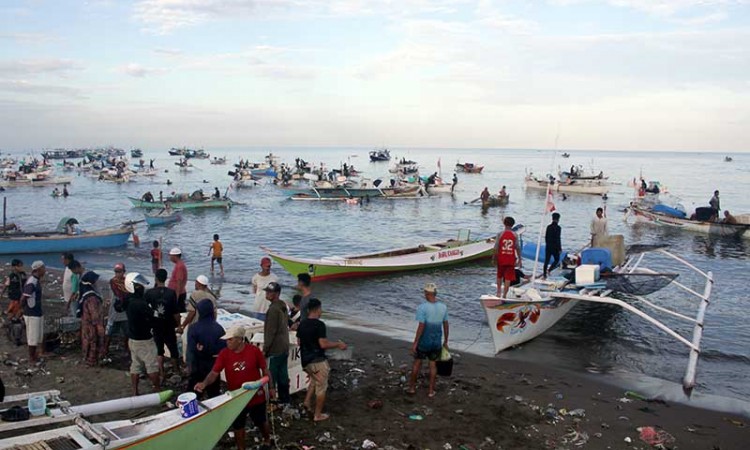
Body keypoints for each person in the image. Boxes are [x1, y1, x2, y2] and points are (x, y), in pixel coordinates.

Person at [195, 326, 273, 450]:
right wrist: (204, 384)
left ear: (239, 339)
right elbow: (214, 373)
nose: (227, 342)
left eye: (230, 340)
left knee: (261, 421)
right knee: (238, 425)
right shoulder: (224, 354)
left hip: (255, 395)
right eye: (227, 340)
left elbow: (265, 370)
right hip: (236, 396)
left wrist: (271, 388)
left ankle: (267, 439)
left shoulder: (254, 351)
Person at [297, 298, 346, 422]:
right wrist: (338, 345)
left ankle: (307, 402)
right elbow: (323, 344)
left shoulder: (302, 323)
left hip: (305, 360)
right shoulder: (319, 325)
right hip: (317, 360)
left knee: (314, 380)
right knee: (321, 387)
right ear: (318, 309)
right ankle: (317, 415)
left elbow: (298, 341)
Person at [121, 272, 161, 396]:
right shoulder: (139, 303)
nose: (142, 288)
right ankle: (157, 389)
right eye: (139, 286)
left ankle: (135, 391)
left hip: (132, 338)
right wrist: (158, 313)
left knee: (136, 365)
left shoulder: (128, 300)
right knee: (152, 366)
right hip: (144, 339)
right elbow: (154, 316)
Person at [407, 283, 448, 398]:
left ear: (428, 293)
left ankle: (412, 388)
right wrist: (446, 340)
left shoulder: (422, 307)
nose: (424, 294)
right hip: (436, 341)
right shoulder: (443, 307)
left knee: (417, 363)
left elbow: (421, 326)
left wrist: (415, 342)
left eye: (425, 292)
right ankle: (430, 391)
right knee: (433, 365)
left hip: (424, 341)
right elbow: (446, 324)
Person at [145, 269, 180, 378]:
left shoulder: (150, 293)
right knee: (173, 349)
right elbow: (175, 312)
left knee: (159, 350)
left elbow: (146, 309)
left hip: (156, 324)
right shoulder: (171, 293)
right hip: (169, 324)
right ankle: (176, 370)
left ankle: (161, 372)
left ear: (156, 278)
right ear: (166, 278)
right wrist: (179, 325)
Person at [188, 299, 226, 399]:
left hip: (198, 365)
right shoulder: (219, 328)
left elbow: (191, 350)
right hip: (213, 365)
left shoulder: (193, 328)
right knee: (214, 393)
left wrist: (200, 350)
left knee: (194, 394)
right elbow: (223, 348)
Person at [263, 282, 290, 406]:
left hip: (275, 348)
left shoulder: (273, 309)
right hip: (284, 346)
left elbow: (270, 332)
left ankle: (272, 402)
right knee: (283, 374)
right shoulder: (282, 305)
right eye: (267, 291)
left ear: (277, 294)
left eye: (270, 292)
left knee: (271, 376)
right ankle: (285, 400)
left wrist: (265, 350)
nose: (267, 293)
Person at [22, 261, 46, 363]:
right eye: (43, 268)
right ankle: (32, 358)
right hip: (31, 313)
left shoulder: (36, 280)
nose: (45, 270)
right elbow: (23, 298)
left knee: (38, 335)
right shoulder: (32, 282)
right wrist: (23, 310)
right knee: (32, 336)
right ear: (38, 269)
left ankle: (35, 355)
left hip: (37, 311)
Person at [79, 271, 105, 366]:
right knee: (93, 341)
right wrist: (99, 326)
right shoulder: (92, 297)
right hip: (92, 324)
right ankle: (91, 360)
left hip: (86, 323)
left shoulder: (85, 293)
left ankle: (87, 359)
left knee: (87, 340)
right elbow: (94, 313)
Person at [104, 263, 129, 359]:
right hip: (114, 311)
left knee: (127, 333)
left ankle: (126, 349)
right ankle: (105, 350)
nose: (118, 274)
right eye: (116, 272)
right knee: (109, 333)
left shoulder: (127, 282)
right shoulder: (113, 282)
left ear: (123, 272)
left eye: (119, 271)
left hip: (124, 312)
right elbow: (117, 294)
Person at [492, 217, 521, 298]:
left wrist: (494, 258)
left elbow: (496, 247)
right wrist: (520, 259)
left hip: (501, 258)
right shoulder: (515, 235)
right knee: (508, 278)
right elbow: (517, 247)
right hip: (511, 259)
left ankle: (498, 292)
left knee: (499, 275)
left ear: (504, 223)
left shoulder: (500, 234)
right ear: (513, 225)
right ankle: (504, 295)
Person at [168, 248, 188, 313]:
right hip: (176, 293)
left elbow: (179, 282)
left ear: (174, 256)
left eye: (170, 255)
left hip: (179, 294)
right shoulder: (178, 265)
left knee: (179, 312)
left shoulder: (180, 266)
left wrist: (176, 297)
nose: (169, 257)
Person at [543, 213, 562, 278]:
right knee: (557, 259)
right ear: (558, 219)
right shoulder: (558, 228)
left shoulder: (548, 227)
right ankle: (550, 269)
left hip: (548, 246)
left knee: (546, 260)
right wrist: (559, 248)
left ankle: (544, 274)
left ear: (552, 218)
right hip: (555, 247)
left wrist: (547, 244)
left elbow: (546, 237)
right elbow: (558, 238)